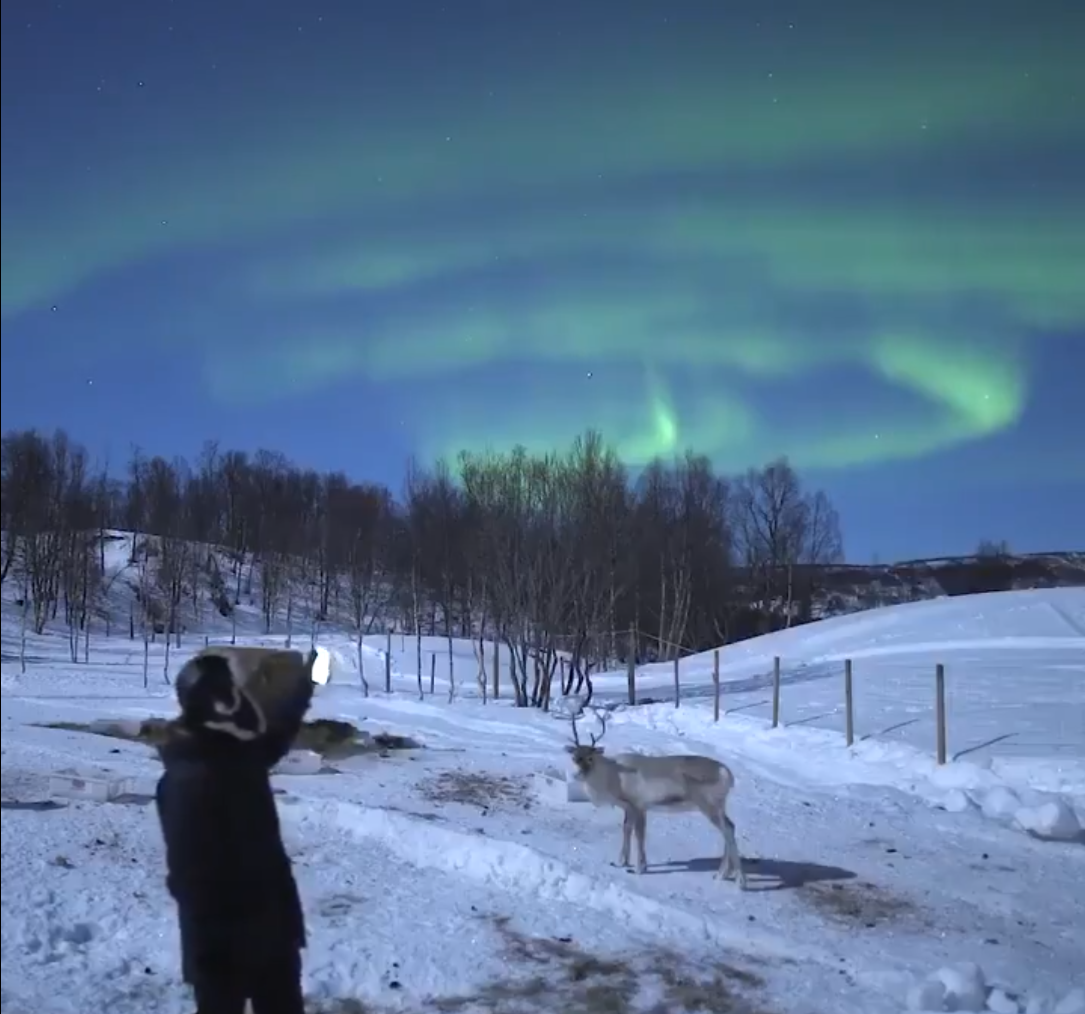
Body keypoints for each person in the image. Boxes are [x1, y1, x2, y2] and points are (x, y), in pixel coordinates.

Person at [155, 648, 317, 1014]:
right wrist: (214, 952)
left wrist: (304, 688)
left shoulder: (231, 755)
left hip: (269, 934)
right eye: (227, 693)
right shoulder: (192, 777)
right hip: (225, 948)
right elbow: (188, 878)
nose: (239, 700)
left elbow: (275, 737)